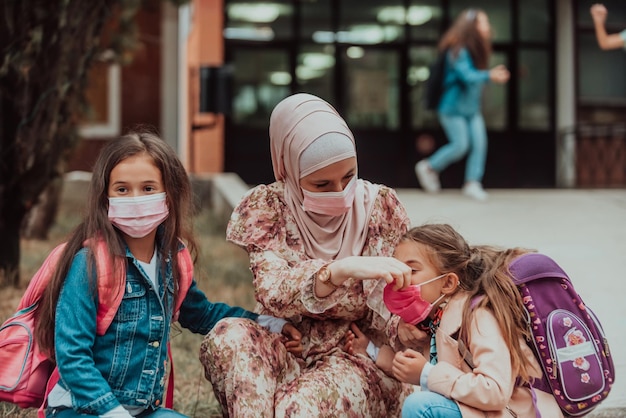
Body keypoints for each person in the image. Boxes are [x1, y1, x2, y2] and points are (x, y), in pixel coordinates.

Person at [35, 130, 302, 418]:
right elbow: (73, 357)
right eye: (122, 189)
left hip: (141, 411)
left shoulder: (170, 263)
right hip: (82, 409)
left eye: (148, 188)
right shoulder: (90, 264)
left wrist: (269, 323)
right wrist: (112, 412)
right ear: (105, 197)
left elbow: (204, 315)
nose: (136, 199)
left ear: (169, 196)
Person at [199, 93, 416, 417]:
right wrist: (337, 271)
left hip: (357, 356)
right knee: (228, 337)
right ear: (288, 170)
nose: (340, 192)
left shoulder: (379, 208)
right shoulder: (269, 206)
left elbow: (394, 308)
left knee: (298, 410)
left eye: (348, 176)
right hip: (287, 345)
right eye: (322, 184)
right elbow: (272, 291)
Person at [344, 223, 563, 417]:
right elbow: (412, 367)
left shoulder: (478, 317)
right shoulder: (436, 319)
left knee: (421, 406)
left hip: (514, 412)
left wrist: (427, 374)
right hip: (481, 411)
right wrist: (370, 350)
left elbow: (496, 390)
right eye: (397, 268)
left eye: (411, 270)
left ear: (448, 283)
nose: (399, 278)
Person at [415, 8, 510, 201]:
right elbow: (466, 76)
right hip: (452, 108)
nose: (487, 26)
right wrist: (489, 75)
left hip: (471, 109)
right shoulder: (458, 49)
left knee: (480, 144)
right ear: (472, 26)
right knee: (460, 145)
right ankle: (429, 166)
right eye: (483, 22)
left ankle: (472, 183)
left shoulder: (477, 49)